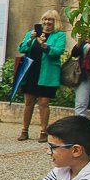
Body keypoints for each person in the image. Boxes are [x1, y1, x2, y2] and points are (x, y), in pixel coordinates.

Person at [17, 10, 66, 143]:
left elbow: (58, 51)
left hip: (47, 73)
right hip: (31, 72)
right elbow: (21, 49)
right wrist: (31, 39)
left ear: (55, 22)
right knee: (28, 102)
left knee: (44, 102)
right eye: (45, 19)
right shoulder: (31, 33)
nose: (47, 22)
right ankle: (24, 130)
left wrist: (44, 45)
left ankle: (44, 131)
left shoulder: (59, 35)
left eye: (50, 19)